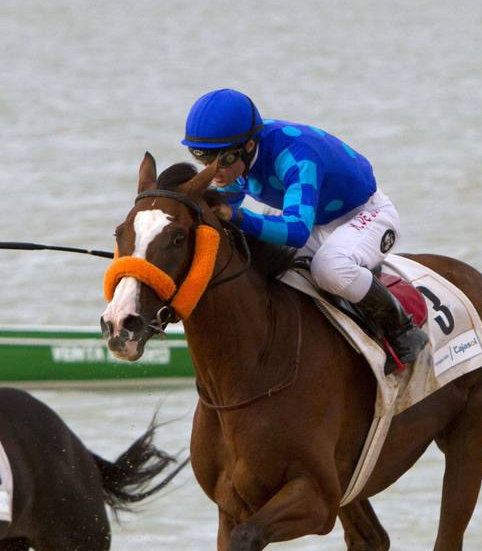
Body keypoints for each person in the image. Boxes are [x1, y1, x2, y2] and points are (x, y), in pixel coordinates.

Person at [182, 88, 428, 370]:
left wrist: (237, 217)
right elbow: (223, 211)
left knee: (330, 268)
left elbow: (297, 230)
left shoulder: (296, 155)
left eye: (222, 159)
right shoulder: (236, 160)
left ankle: (402, 329)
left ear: (249, 146)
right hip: (317, 222)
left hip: (366, 215)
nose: (213, 170)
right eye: (201, 157)